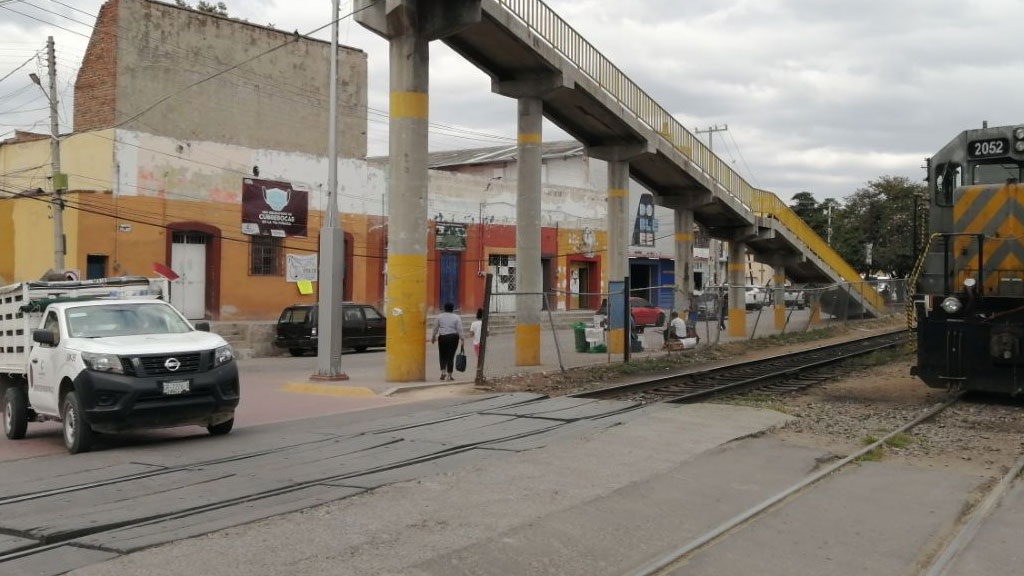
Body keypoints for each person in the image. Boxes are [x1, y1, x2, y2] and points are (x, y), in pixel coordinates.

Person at [431, 302, 465, 381]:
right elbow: (459, 329)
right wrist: (462, 339)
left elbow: (435, 327)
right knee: (451, 356)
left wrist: (433, 337)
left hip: (442, 337)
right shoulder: (456, 317)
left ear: (444, 308)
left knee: (442, 355)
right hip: (453, 337)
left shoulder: (439, 317)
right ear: (453, 309)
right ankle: (449, 375)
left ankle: (443, 372)